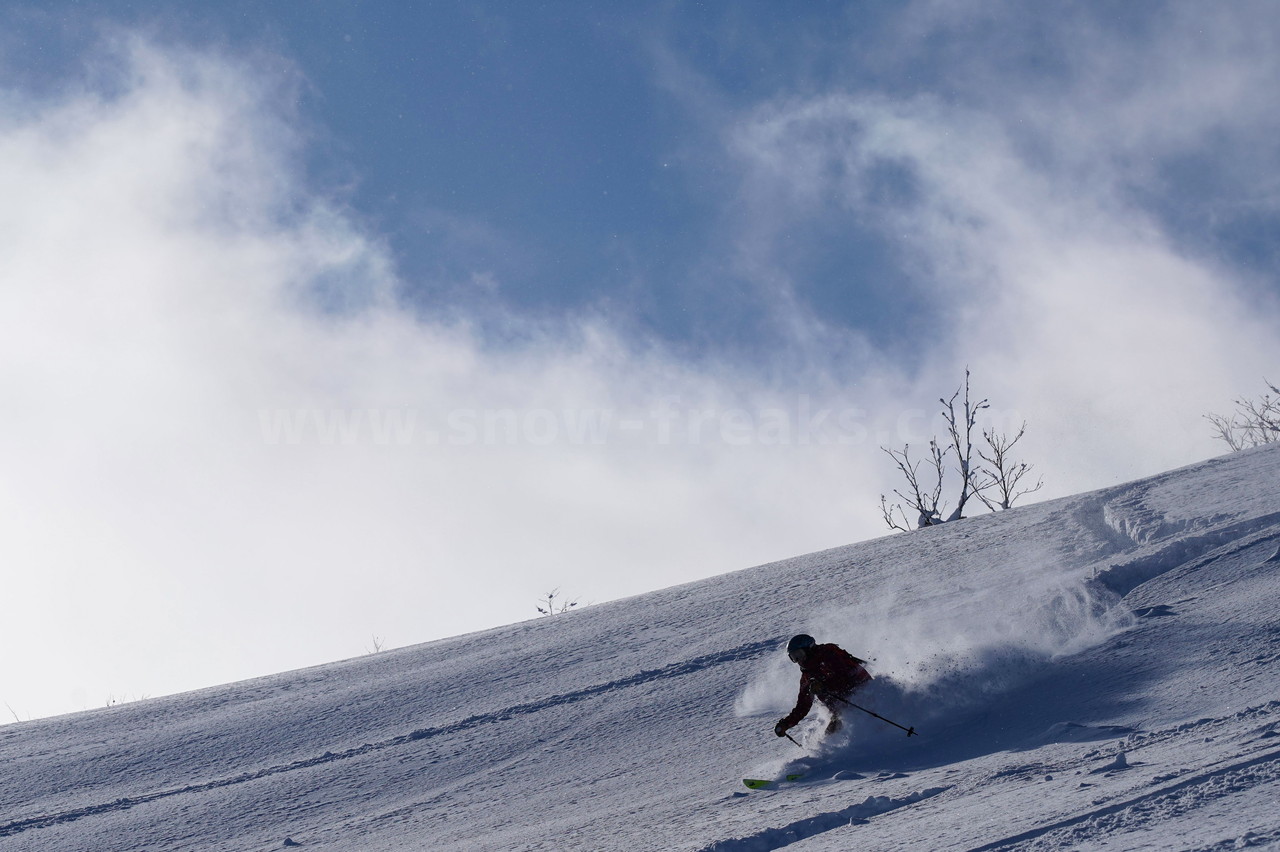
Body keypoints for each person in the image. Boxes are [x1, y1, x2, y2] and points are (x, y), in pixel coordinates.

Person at [775, 634, 872, 738]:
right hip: (842, 712)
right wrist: (786, 724)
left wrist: (824, 686)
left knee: (858, 729)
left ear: (809, 649)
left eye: (799, 654)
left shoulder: (829, 655)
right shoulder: (807, 677)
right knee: (830, 738)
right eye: (794, 657)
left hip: (865, 697)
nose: (799, 660)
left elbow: (846, 675)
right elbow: (803, 705)